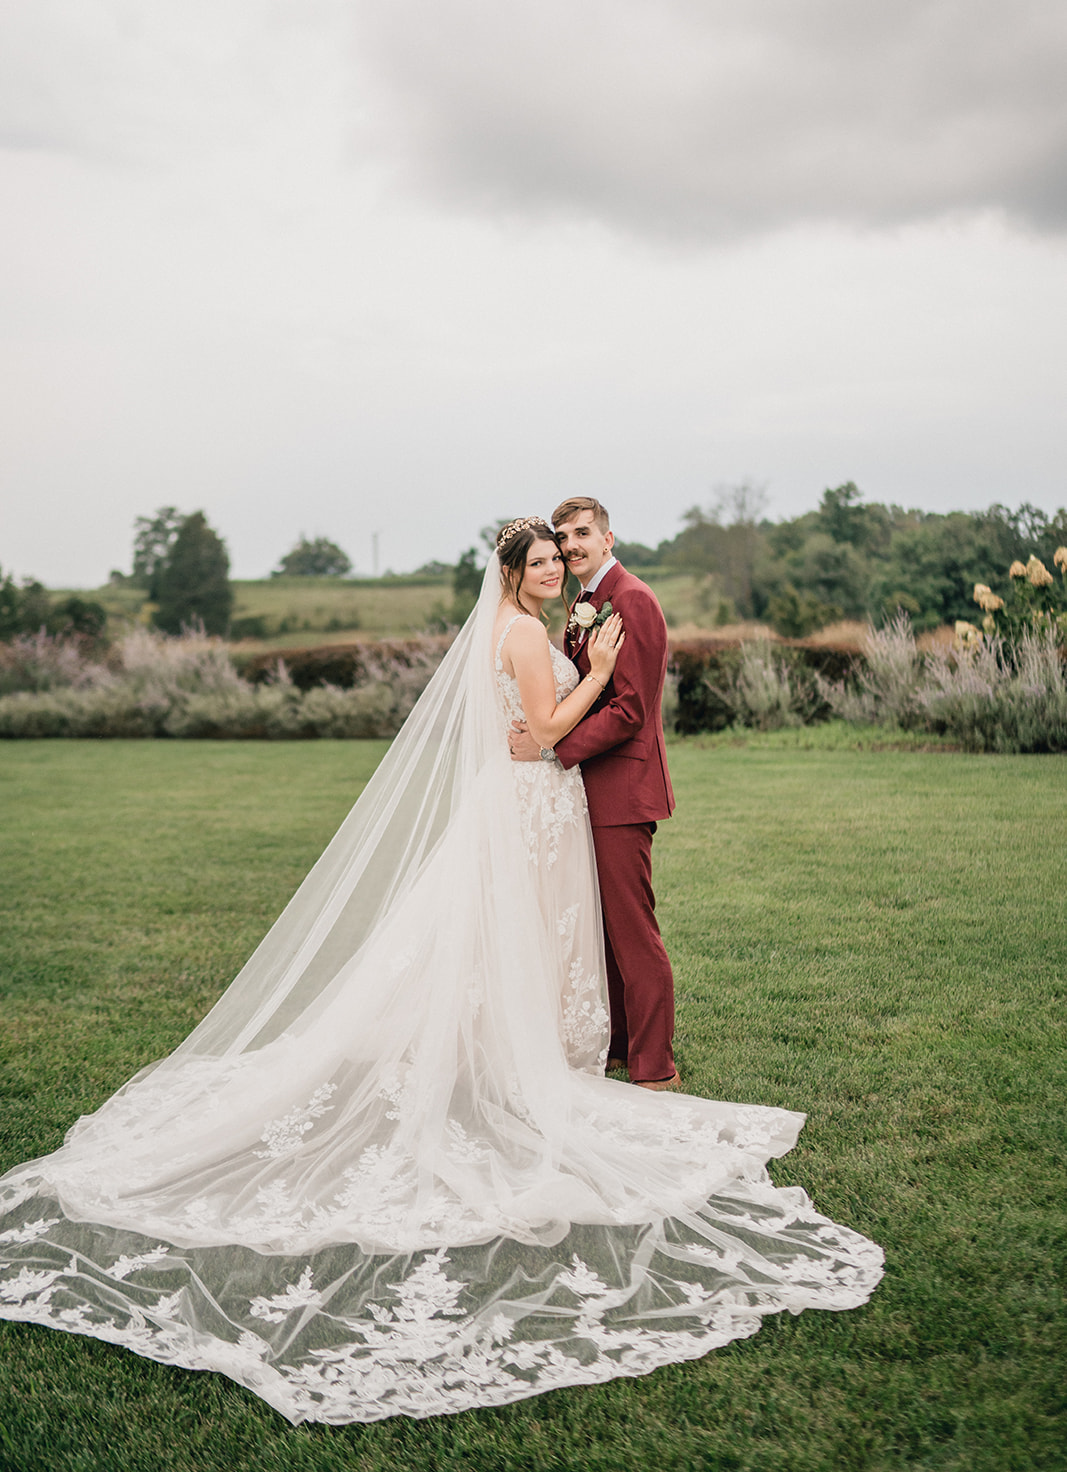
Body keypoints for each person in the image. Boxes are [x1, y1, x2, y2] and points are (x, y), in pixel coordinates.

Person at [0, 520, 883, 1426]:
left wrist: (583, 669)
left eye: (557, 558)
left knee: (510, 936)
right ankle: (518, 1054)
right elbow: (538, 731)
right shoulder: (524, 634)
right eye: (539, 561)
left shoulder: (515, 628)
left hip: (523, 802)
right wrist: (595, 675)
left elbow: (526, 727)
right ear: (512, 573)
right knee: (528, 934)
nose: (553, 569)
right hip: (533, 798)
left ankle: (499, 1040)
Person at [509, 497, 678, 1089]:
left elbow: (633, 709)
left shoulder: (632, 599)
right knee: (601, 928)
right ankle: (621, 1044)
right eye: (563, 538)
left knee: (632, 929)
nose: (572, 546)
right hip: (586, 788)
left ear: (609, 538)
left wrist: (554, 746)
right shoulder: (582, 603)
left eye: (583, 534)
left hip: (624, 787)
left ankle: (655, 1067)